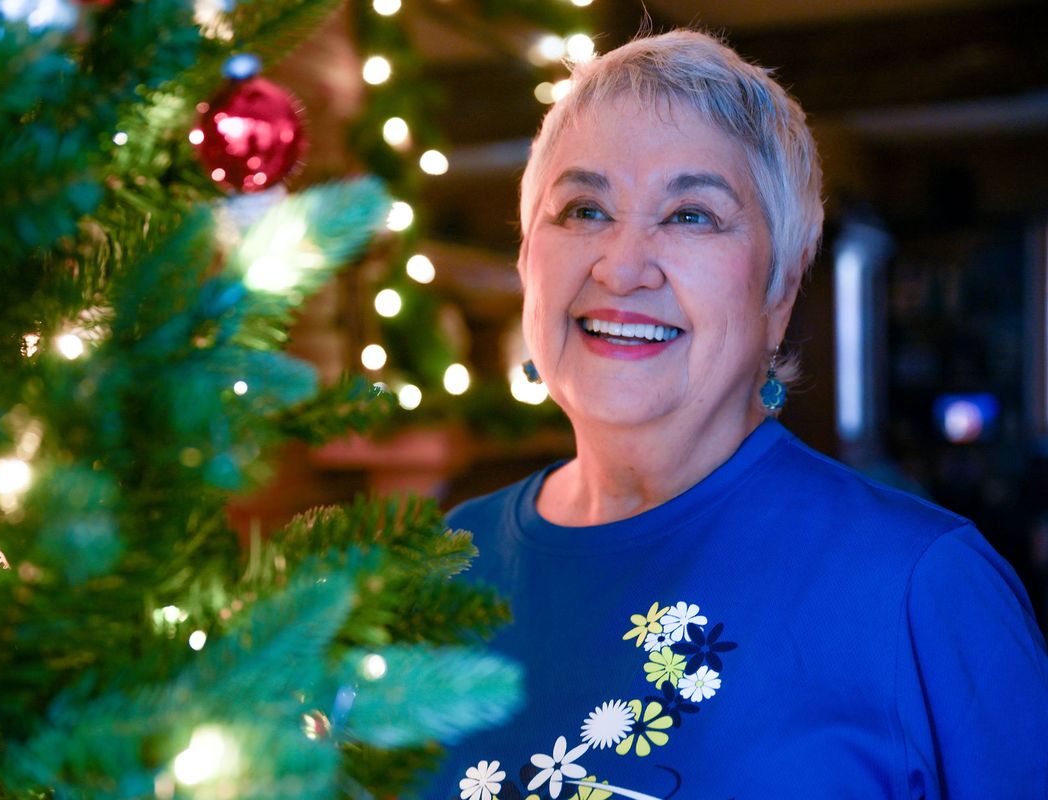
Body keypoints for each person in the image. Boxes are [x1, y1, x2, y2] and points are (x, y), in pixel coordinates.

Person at [424, 28, 1048, 800]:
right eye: (584, 209)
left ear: (779, 294)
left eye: (691, 215)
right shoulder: (440, 566)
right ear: (526, 261)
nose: (621, 266)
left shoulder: (923, 591)